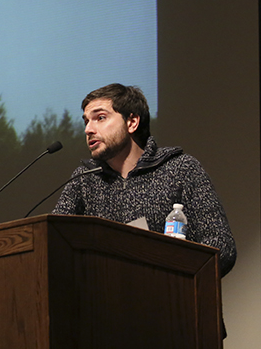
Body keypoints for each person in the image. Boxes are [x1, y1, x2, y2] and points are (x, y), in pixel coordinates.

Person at [52, 83, 236, 276]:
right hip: (103, 299)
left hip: (172, 297)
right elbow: (54, 242)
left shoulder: (180, 169)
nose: (88, 129)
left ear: (132, 122)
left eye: (100, 118)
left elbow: (221, 246)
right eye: (86, 122)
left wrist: (171, 273)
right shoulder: (84, 179)